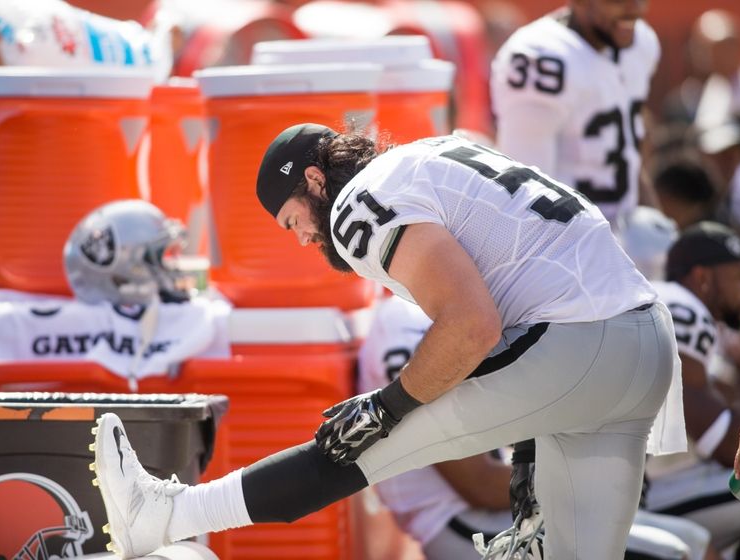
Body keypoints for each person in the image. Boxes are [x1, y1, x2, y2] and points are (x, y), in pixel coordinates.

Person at [91, 124, 686, 559]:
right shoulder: (435, 152)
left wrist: (388, 406)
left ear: (317, 182)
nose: (302, 239)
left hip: (581, 344)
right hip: (646, 345)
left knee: (359, 444)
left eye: (293, 220)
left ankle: (169, 513)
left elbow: (471, 327)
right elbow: (523, 288)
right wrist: (528, 444)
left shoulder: (358, 205)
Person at [362, 294, 714, 560]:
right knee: (678, 553)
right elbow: (478, 484)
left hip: (508, 506)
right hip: (458, 521)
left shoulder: (462, 300)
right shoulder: (405, 324)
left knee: (696, 541)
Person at [489, 0, 660, 229]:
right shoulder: (540, 56)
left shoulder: (641, 44)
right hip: (567, 239)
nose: (635, 9)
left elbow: (626, 146)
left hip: (624, 232)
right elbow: (525, 192)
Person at [646, 222, 740, 557]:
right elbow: (724, 443)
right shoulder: (684, 310)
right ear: (703, 278)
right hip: (639, 494)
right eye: (739, 276)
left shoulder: (661, 298)